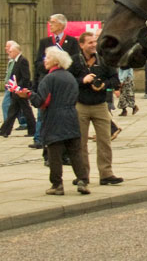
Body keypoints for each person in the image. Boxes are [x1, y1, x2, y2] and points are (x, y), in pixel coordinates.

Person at [14, 46, 90, 196]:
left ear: (55, 61)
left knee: (54, 153)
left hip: (54, 118)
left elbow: (42, 102)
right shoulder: (70, 77)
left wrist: (28, 95)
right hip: (71, 116)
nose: (44, 60)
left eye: (47, 57)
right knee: (75, 152)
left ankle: (57, 185)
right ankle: (83, 181)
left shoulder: (49, 79)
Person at [70, 31, 123, 187]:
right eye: (90, 42)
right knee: (81, 143)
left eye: (95, 42)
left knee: (104, 141)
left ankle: (106, 174)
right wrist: (82, 80)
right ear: (81, 45)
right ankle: (82, 175)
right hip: (81, 105)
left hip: (100, 105)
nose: (94, 45)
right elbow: (68, 79)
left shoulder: (103, 60)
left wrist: (103, 85)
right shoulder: (75, 61)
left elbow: (114, 79)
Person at [32, 14, 80, 149]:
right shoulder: (45, 42)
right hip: (47, 81)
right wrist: (50, 68)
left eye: (52, 22)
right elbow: (38, 63)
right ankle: (40, 138)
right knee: (43, 112)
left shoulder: (71, 42)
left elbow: (75, 63)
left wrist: (62, 68)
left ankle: (63, 140)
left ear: (61, 25)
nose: (50, 24)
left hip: (63, 84)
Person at [0, 42, 36, 138]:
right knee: (14, 111)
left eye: (11, 51)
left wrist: (18, 88)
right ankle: (5, 131)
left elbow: (25, 77)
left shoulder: (22, 61)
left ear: (16, 52)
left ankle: (32, 130)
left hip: (20, 91)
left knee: (24, 111)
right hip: (16, 91)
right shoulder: (16, 61)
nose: (9, 53)